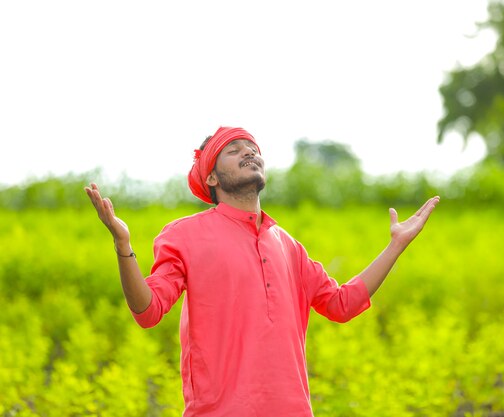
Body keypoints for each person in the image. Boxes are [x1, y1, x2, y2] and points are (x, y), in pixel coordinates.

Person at [84, 126, 440, 417]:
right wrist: (122, 245)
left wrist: (395, 246)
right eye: (234, 149)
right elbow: (147, 311)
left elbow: (342, 304)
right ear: (211, 176)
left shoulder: (287, 245)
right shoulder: (183, 235)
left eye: (252, 147)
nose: (249, 152)